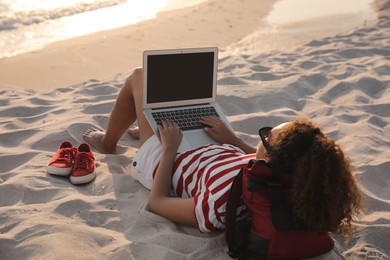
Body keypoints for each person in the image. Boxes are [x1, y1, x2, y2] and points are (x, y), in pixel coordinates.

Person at [83, 68, 361, 250]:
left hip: (166, 159)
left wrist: (168, 147)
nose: (259, 140)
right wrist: (233, 140)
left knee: (141, 77)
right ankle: (149, 126)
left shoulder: (220, 202)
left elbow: (157, 203)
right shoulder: (280, 180)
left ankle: (109, 143)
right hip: (212, 150)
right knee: (183, 104)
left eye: (266, 137)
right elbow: (256, 159)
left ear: (273, 158)